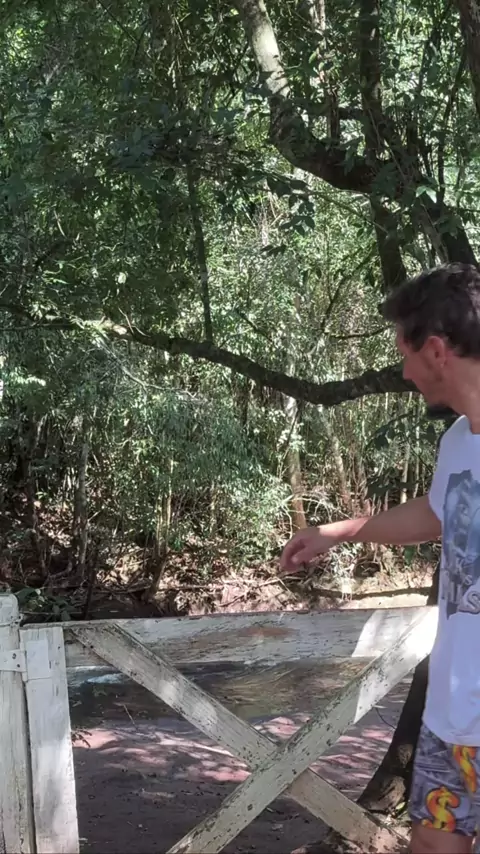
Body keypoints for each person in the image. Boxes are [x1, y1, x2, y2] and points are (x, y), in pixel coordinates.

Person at [280, 262, 480, 854]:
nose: (405, 372)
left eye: (406, 355)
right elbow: (437, 514)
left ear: (436, 350)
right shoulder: (457, 442)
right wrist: (340, 532)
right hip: (452, 713)